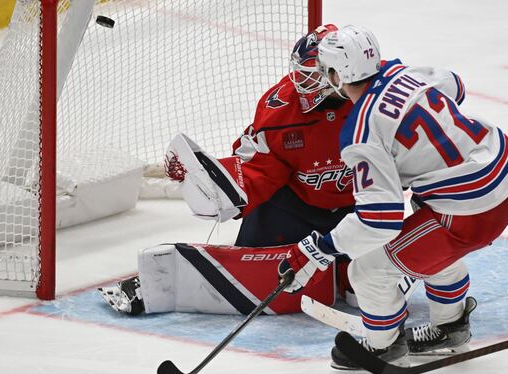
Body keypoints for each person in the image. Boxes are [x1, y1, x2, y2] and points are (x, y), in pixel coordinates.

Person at [277, 25, 508, 369]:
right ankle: (450, 324)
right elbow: (456, 84)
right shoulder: (403, 71)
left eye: (325, 68)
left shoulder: (362, 131)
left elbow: (380, 221)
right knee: (424, 225)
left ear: (338, 73)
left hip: (471, 212)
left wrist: (320, 248)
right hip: (507, 177)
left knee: (367, 273)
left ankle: (382, 347)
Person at [98, 24, 360, 315]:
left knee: (363, 288)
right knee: (256, 268)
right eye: (302, 71)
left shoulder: (378, 102)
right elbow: (260, 167)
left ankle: (355, 269)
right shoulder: (282, 111)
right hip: (295, 205)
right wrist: (222, 192)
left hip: (362, 206)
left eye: (312, 74)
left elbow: (406, 168)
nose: (301, 82)